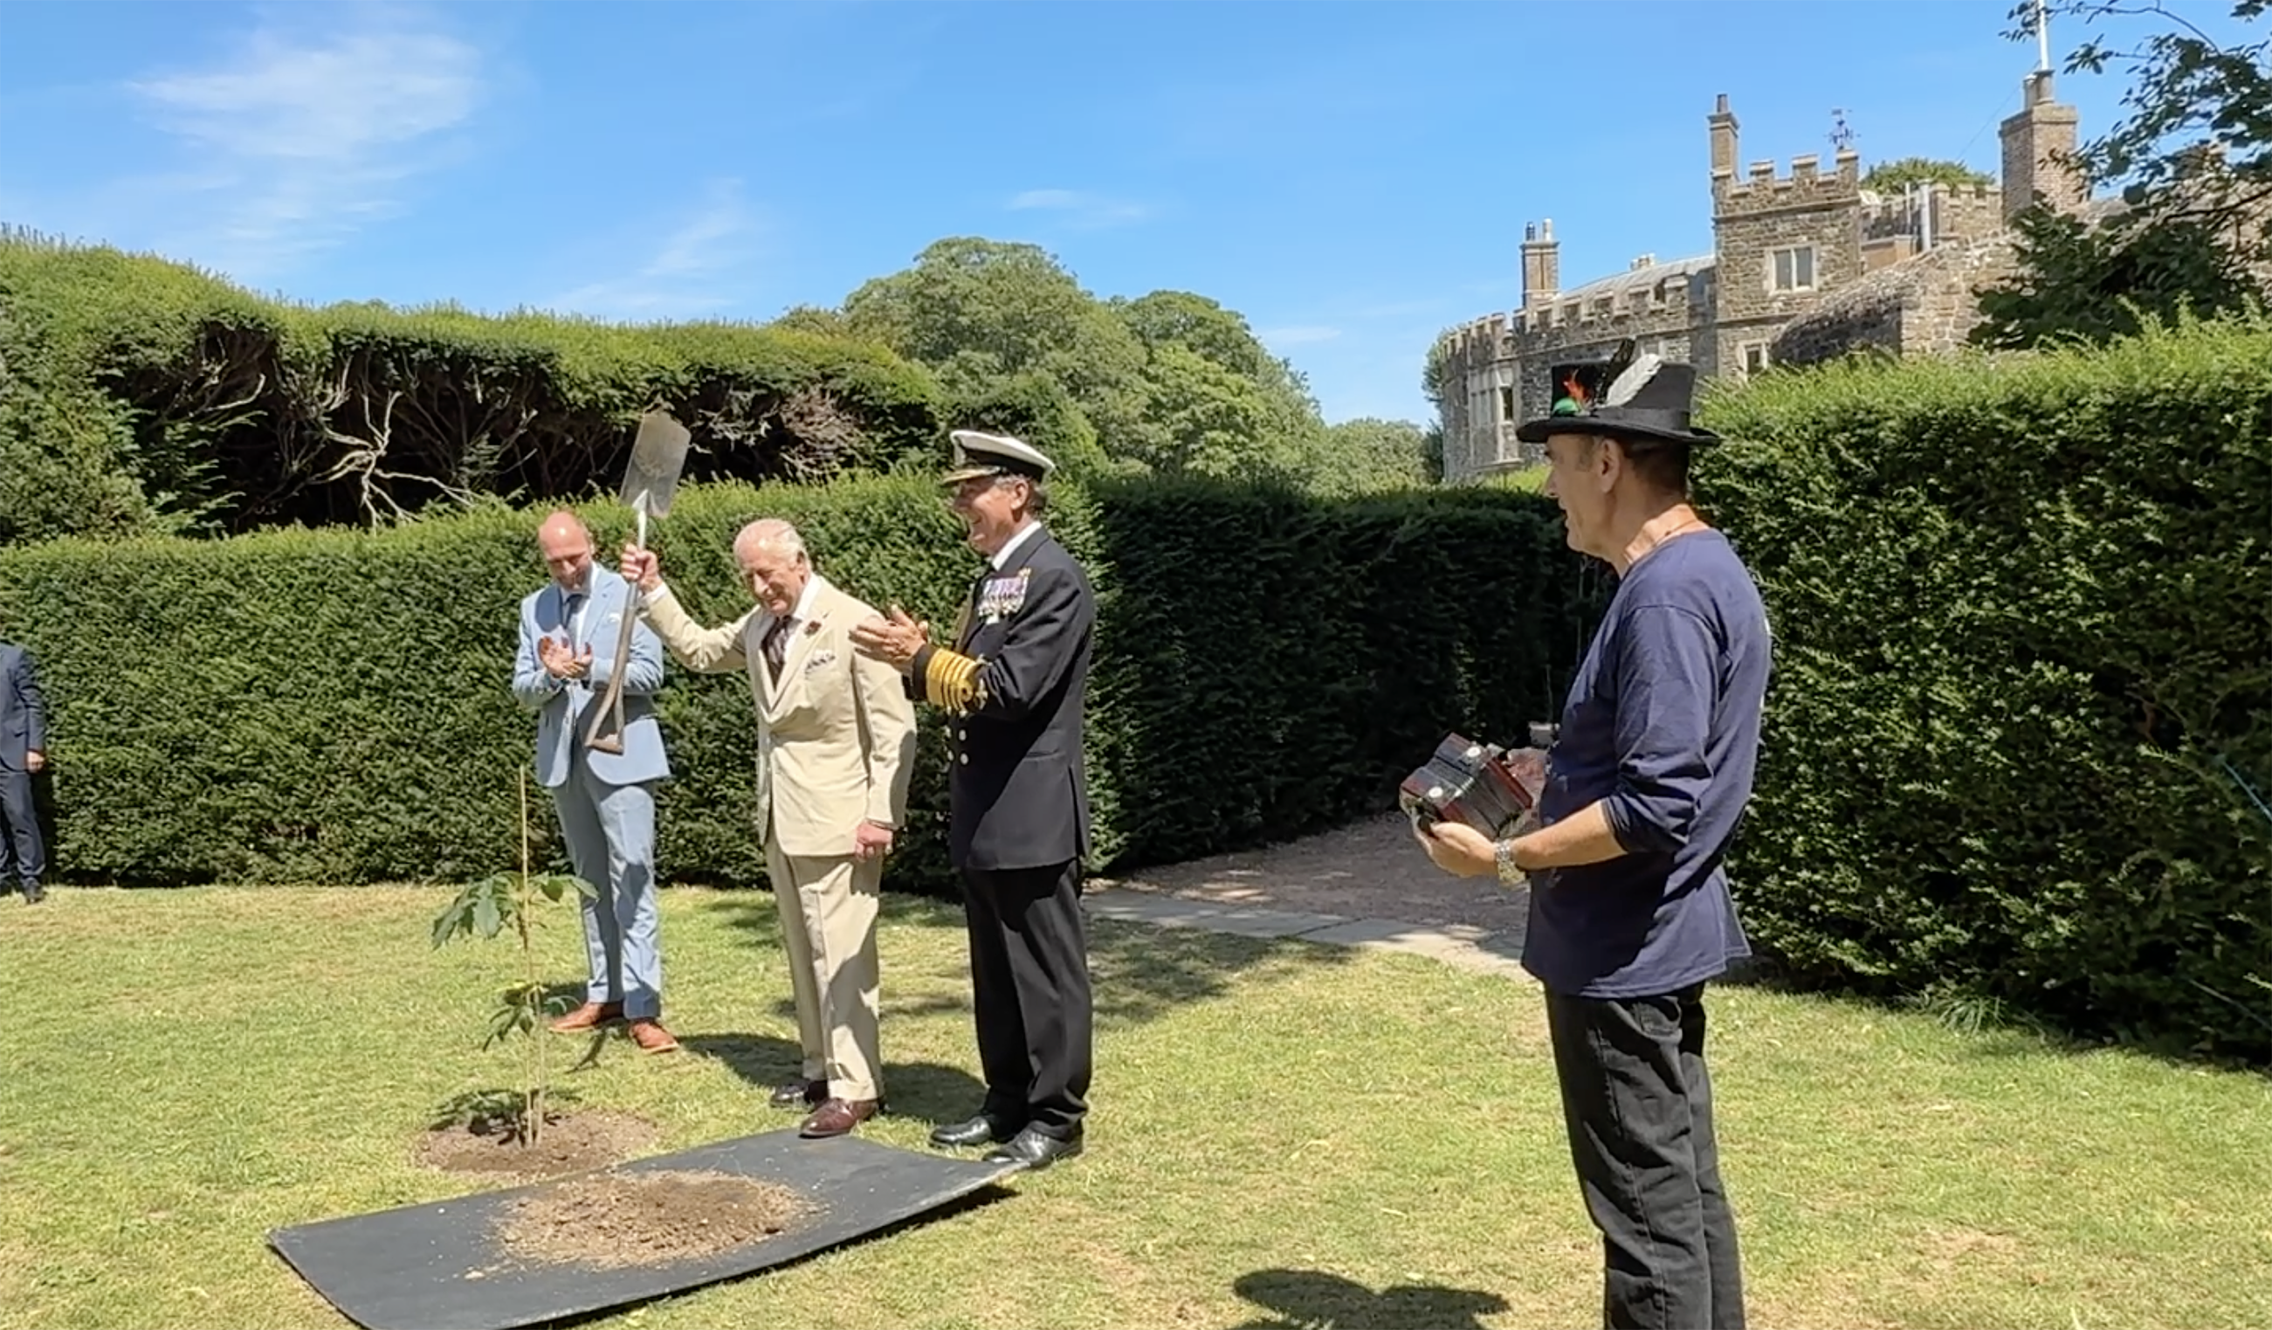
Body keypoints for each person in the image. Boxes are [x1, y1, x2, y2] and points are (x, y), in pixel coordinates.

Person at [1416, 350, 1768, 1330]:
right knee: (1681, 1194)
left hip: (1620, 954)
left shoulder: (1664, 595)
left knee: (1647, 1225)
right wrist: (1558, 776)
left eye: (1558, 460)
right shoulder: (1700, 572)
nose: (1548, 486)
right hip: (1654, 940)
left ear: (1607, 462)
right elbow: (1657, 769)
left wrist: (1501, 856)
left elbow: (1657, 805)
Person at [620, 519, 917, 1138]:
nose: (759, 588)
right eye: (749, 577)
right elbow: (700, 650)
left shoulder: (854, 622)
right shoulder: (759, 626)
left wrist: (880, 814)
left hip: (843, 821)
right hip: (781, 816)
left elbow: (895, 730)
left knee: (842, 957)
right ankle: (820, 1069)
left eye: (768, 575)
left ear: (801, 562)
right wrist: (652, 589)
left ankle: (857, 1087)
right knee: (805, 953)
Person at [849, 429, 1096, 1171]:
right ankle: (1008, 1100)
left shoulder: (1054, 578)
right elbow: (969, 678)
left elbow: (1011, 690)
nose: (960, 506)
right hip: (988, 805)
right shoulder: (995, 580)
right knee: (995, 972)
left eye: (971, 491)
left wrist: (923, 658)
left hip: (1032, 811)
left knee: (1045, 973)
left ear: (1017, 492)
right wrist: (920, 658)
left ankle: (1057, 1118)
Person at [510, 510, 678, 1054]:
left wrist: (590, 669)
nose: (566, 570)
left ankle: (644, 1007)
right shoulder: (533, 607)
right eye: (555, 562)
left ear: (593, 545)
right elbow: (523, 689)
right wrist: (550, 674)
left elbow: (652, 674)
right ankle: (604, 993)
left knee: (632, 877)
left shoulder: (631, 594)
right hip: (565, 761)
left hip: (623, 755)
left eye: (574, 558)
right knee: (589, 881)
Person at [0, 640, 47, 904]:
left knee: (20, 815)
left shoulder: (14, 657)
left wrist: (35, 747)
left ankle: (31, 879)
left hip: (12, 750)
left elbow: (33, 704)